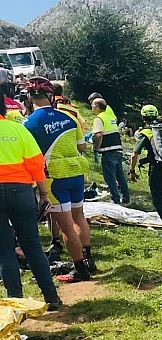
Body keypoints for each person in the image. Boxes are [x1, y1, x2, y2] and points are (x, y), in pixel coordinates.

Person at [23, 77, 94, 283]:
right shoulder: (69, 118)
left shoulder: (28, 124)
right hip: (76, 174)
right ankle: (88, 258)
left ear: (29, 97)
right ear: (51, 97)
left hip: (54, 178)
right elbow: (82, 147)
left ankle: (79, 268)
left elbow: (29, 155)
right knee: (79, 216)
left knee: (66, 227)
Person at [0, 89, 61, 309]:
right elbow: (36, 164)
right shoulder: (17, 129)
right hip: (22, 192)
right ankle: (51, 298)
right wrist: (43, 193)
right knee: (33, 246)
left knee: (4, 250)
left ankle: (15, 302)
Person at [130, 105, 162, 239]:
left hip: (157, 169)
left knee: (158, 200)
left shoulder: (147, 132)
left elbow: (135, 153)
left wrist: (132, 170)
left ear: (143, 117)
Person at [91, 96, 129, 204]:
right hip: (118, 149)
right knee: (120, 176)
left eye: (93, 105)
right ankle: (126, 198)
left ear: (97, 106)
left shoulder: (99, 119)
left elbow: (99, 135)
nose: (91, 107)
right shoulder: (110, 116)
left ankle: (115, 199)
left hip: (108, 151)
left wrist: (96, 148)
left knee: (110, 177)